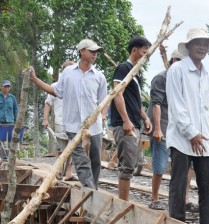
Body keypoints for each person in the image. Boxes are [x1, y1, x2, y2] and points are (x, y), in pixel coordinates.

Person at [166, 28, 209, 224]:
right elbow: (177, 106)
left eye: (205, 43)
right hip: (182, 139)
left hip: (203, 140)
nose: (202, 47)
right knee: (178, 186)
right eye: (198, 43)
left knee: (208, 187)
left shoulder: (206, 74)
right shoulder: (177, 70)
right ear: (188, 47)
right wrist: (190, 133)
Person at [30, 39, 107, 189]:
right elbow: (55, 91)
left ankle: (93, 188)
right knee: (80, 160)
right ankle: (91, 191)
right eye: (91, 51)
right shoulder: (68, 73)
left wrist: (103, 115)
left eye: (96, 52)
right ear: (82, 51)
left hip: (94, 125)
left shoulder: (99, 76)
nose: (94, 54)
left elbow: (104, 101)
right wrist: (34, 79)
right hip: (73, 125)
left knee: (95, 159)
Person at [148, 48, 194, 210]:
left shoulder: (186, 80)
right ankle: (154, 198)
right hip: (162, 124)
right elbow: (156, 104)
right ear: (175, 61)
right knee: (159, 165)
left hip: (179, 127)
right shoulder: (161, 79)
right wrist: (158, 129)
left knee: (186, 165)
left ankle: (184, 197)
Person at [110, 36, 153, 201]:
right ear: (134, 50)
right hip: (124, 123)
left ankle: (123, 201)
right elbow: (117, 94)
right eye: (144, 52)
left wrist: (146, 118)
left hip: (134, 123)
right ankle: (123, 203)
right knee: (127, 165)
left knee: (131, 163)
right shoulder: (123, 68)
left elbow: (136, 102)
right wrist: (126, 121)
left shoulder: (137, 72)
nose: (146, 56)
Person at [42, 61, 76, 180]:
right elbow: (48, 103)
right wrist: (45, 118)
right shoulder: (55, 86)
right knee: (62, 150)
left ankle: (68, 173)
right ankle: (59, 171)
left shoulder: (76, 86)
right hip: (60, 122)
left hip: (74, 123)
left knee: (72, 149)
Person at [0, 79, 19, 160]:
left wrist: (16, 122)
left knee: (10, 140)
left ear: (10, 88)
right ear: (1, 87)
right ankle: (2, 156)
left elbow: (16, 110)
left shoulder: (12, 98)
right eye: (5, 87)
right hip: (0, 122)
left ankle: (9, 157)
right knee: (1, 140)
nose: (6, 88)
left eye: (8, 87)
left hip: (10, 122)